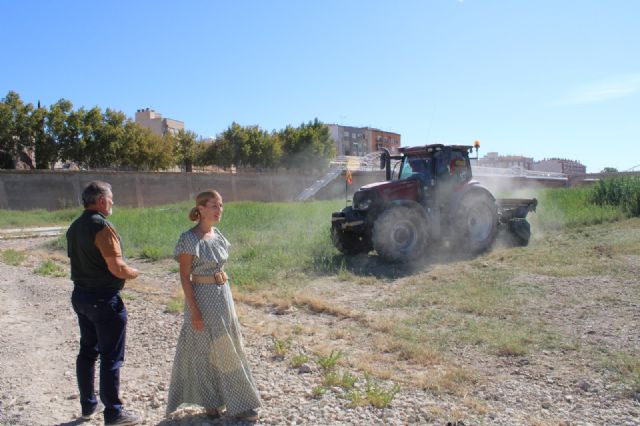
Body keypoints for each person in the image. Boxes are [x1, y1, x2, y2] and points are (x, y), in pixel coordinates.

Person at [166, 189, 261, 421]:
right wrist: (195, 310)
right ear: (201, 209)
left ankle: (232, 401)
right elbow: (184, 277)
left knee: (229, 343)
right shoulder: (189, 239)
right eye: (214, 205)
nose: (220, 210)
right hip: (202, 298)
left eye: (221, 205)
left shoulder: (217, 234)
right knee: (209, 349)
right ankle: (228, 403)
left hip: (223, 295)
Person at [67, 181, 141, 426]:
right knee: (111, 357)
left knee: (87, 352)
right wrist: (133, 273)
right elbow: (117, 267)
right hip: (103, 299)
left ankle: (89, 405)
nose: (112, 202)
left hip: (81, 296)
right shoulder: (102, 226)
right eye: (110, 198)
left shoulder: (75, 226)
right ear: (100, 200)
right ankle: (114, 413)